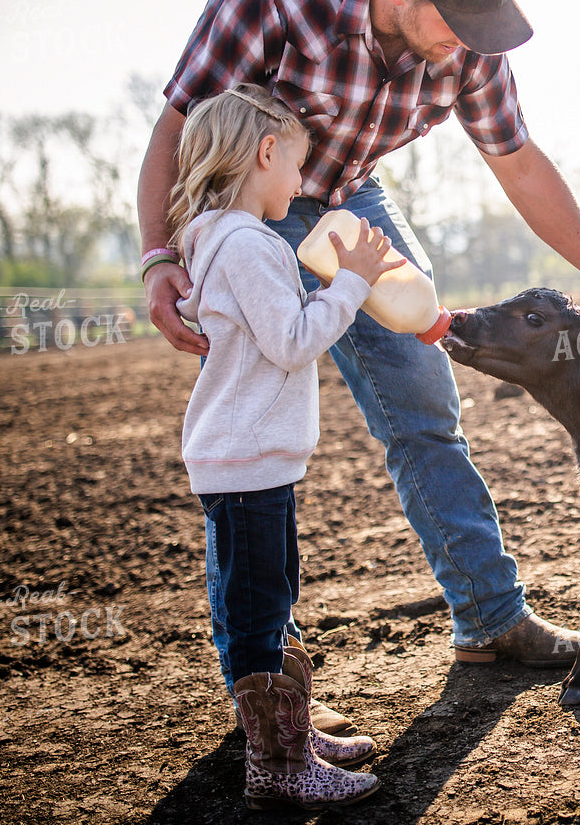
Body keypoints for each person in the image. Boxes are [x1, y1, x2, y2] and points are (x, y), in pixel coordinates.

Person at [138, 0, 580, 685]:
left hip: (350, 199)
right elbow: (178, 128)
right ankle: (266, 679)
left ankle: (490, 618)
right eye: (456, 22)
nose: (471, 40)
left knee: (425, 404)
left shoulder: (470, 41)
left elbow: (518, 162)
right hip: (254, 214)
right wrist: (160, 256)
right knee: (257, 425)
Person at [169, 84, 397, 809]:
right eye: (297, 167)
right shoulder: (248, 243)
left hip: (247, 458)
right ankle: (277, 765)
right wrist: (353, 283)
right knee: (261, 608)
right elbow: (293, 340)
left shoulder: (213, 240)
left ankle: (290, 736)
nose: (301, 185)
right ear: (266, 153)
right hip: (247, 458)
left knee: (268, 598)